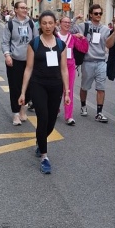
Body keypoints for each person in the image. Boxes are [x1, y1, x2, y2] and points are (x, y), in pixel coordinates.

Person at [19, 11, 70, 174]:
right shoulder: (34, 44)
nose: (48, 26)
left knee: (51, 122)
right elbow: (28, 69)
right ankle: (44, 156)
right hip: (38, 84)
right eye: (44, 23)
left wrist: (67, 92)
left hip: (55, 86)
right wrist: (22, 92)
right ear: (39, 25)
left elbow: (64, 70)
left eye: (50, 23)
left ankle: (40, 141)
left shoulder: (61, 45)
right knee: (43, 118)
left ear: (55, 24)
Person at [72, 4, 111, 123]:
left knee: (101, 88)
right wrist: (75, 18)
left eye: (100, 13)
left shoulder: (105, 29)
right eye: (96, 13)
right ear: (91, 14)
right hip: (87, 61)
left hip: (101, 61)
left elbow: (109, 43)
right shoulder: (84, 26)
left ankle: (99, 112)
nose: (98, 15)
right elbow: (68, 30)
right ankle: (83, 106)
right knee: (85, 87)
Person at [2, 1, 39, 125]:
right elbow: (5, 42)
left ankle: (23, 107)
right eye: (22, 8)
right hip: (15, 60)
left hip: (29, 60)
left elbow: (36, 40)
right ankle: (16, 114)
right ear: (16, 10)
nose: (25, 10)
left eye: (26, 8)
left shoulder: (31, 23)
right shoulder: (10, 24)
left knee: (29, 87)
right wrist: (7, 55)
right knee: (15, 88)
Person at [57, 16, 87, 125]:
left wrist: (83, 38)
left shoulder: (72, 37)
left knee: (68, 90)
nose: (67, 24)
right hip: (56, 67)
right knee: (56, 90)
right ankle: (55, 108)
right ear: (60, 23)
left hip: (69, 66)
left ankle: (69, 116)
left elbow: (83, 48)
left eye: (69, 22)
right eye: (64, 22)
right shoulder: (55, 36)